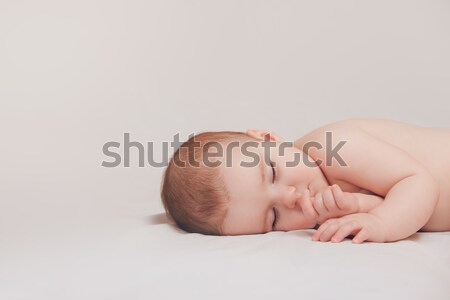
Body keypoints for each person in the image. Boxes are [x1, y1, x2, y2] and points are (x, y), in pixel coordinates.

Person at [161, 119, 450, 243]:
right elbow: (389, 201)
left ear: (267, 138)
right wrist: (357, 206)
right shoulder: (324, 215)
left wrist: (382, 224)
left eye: (273, 171)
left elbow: (419, 183)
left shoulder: (332, 147)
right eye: (273, 217)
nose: (290, 197)